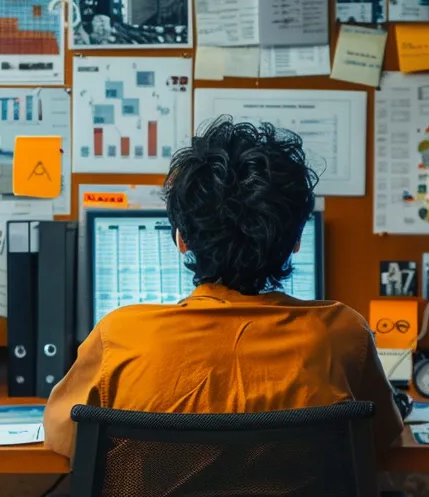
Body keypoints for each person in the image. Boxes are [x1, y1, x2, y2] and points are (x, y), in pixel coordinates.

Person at [43, 118, 404, 458]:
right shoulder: (343, 335)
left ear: (181, 239)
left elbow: (62, 437)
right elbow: (383, 436)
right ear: (296, 241)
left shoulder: (120, 338)